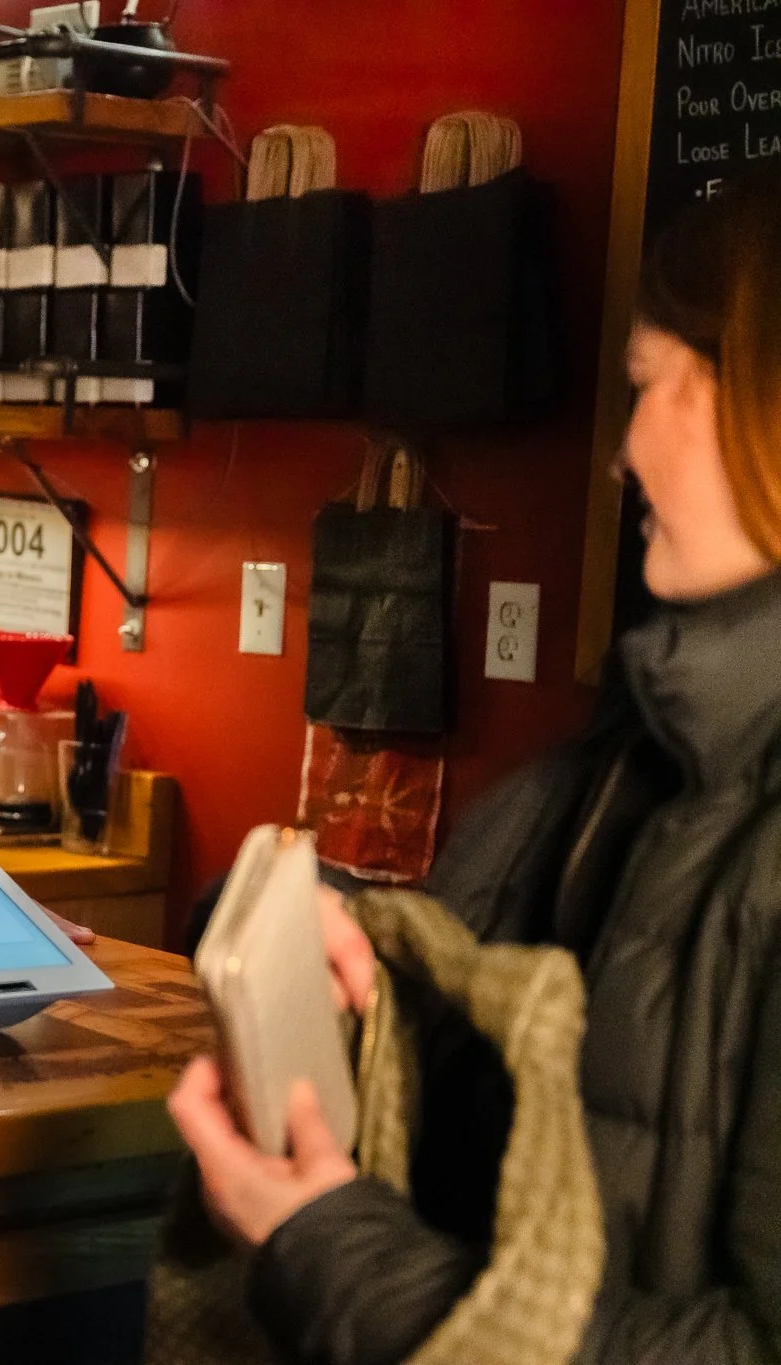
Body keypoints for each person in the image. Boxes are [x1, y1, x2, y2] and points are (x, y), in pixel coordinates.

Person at [167, 172, 781, 1362]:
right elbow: (514, 1060)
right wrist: (323, 943)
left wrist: (328, 1250)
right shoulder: (638, 748)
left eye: (646, 387)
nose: (616, 457)